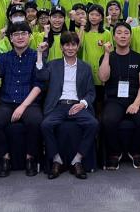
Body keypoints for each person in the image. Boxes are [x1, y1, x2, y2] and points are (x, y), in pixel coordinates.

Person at [0, 22, 45, 177]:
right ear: (10, 38)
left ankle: (30, 158)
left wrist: (23, 107)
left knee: (36, 122)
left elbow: (39, 85)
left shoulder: (36, 56)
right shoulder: (5, 57)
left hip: (30, 103)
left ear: (30, 36)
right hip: (7, 103)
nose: (20, 37)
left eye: (23, 33)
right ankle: (5, 158)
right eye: (16, 34)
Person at [38, 31, 98, 180]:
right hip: (58, 105)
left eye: (73, 44)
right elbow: (41, 76)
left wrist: (82, 104)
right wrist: (40, 54)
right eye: (67, 45)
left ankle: (77, 160)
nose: (70, 48)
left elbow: (91, 92)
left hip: (77, 105)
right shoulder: (53, 65)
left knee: (93, 124)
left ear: (78, 47)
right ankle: (57, 159)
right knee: (45, 125)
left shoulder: (85, 67)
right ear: (61, 47)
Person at [98, 22, 140, 170]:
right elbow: (103, 78)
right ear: (114, 37)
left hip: (135, 99)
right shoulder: (107, 56)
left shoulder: (139, 58)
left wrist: (136, 104)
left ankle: (135, 151)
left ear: (130, 37)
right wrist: (107, 54)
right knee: (107, 120)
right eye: (119, 33)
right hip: (114, 100)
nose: (123, 36)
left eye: (126, 33)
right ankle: (115, 153)